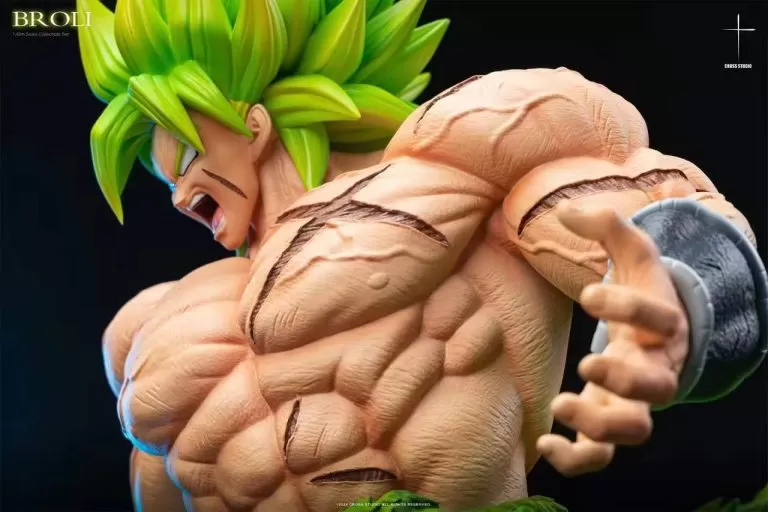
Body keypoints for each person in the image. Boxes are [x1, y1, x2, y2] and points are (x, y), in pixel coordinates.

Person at [78, 0, 767, 510]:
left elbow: (635, 198)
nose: (177, 196)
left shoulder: (454, 155)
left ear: (252, 125)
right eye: (164, 181)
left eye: (186, 161)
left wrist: (675, 309)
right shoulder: (153, 327)